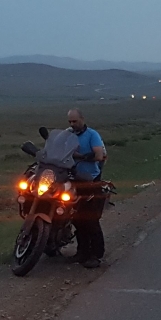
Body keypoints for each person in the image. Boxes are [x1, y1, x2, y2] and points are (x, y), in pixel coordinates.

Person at [66, 108, 107, 268]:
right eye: (70, 121)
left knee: (90, 218)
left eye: (75, 121)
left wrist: (85, 156)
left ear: (82, 119)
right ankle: (82, 251)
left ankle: (96, 254)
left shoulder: (92, 135)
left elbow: (99, 155)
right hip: (72, 179)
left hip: (90, 180)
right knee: (76, 218)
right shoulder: (68, 134)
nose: (72, 124)